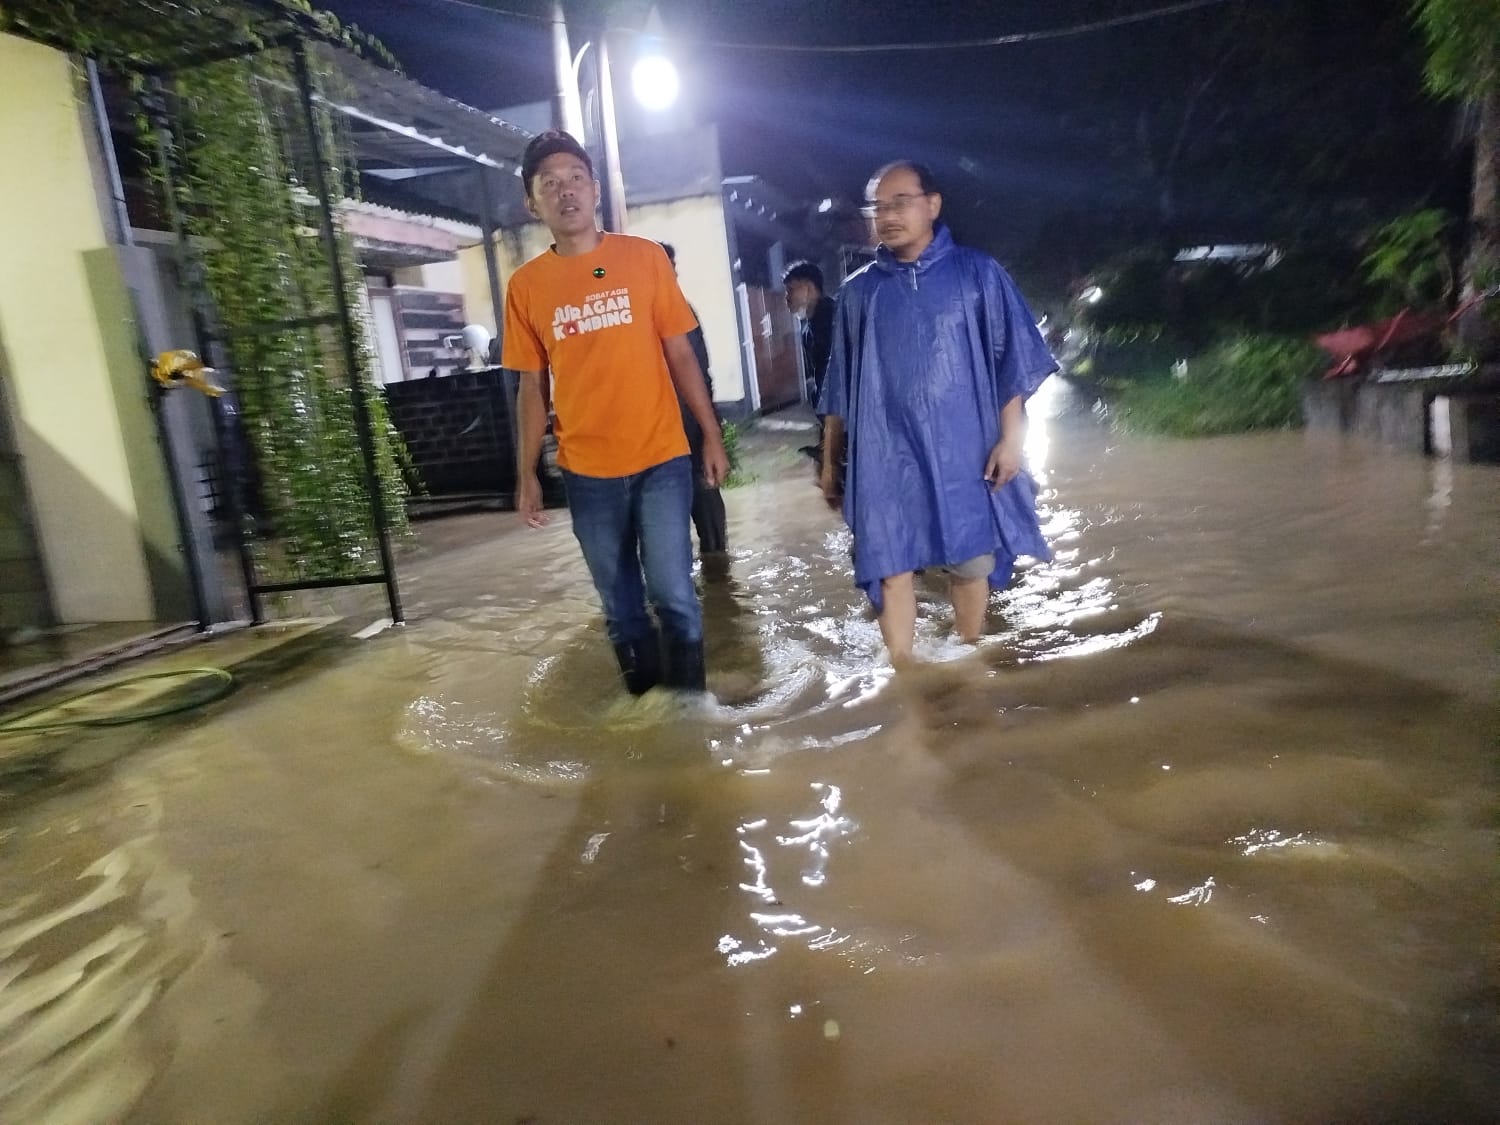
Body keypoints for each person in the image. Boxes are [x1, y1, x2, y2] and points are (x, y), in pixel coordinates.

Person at [502, 130, 728, 695]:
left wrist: (710, 433)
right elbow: (531, 386)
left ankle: (690, 714)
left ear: (595, 189)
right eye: (550, 184)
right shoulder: (525, 287)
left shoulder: (644, 259)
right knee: (621, 607)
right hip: (587, 471)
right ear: (532, 203)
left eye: (576, 178)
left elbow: (680, 353)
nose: (566, 191)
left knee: (674, 594)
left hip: (661, 457)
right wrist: (526, 472)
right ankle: (647, 711)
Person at [818, 160, 1055, 667]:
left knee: (969, 560)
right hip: (883, 452)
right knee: (890, 562)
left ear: (933, 204)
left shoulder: (978, 274)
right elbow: (840, 385)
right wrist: (829, 461)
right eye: (877, 207)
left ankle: (966, 657)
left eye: (899, 202)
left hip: (963, 446)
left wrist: (1010, 441)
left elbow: (1009, 361)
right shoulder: (859, 293)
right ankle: (905, 674)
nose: (887, 216)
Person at [661, 242, 729, 560]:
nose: (672, 273)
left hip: (693, 429)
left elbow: (703, 373)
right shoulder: (635, 319)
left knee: (708, 512)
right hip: (659, 438)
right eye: (666, 267)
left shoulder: (684, 312)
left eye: (673, 266)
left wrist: (711, 432)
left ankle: (717, 573)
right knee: (667, 529)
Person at [782, 259, 836, 464]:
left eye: (791, 289)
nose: (787, 297)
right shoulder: (808, 330)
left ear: (809, 288)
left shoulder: (834, 318)